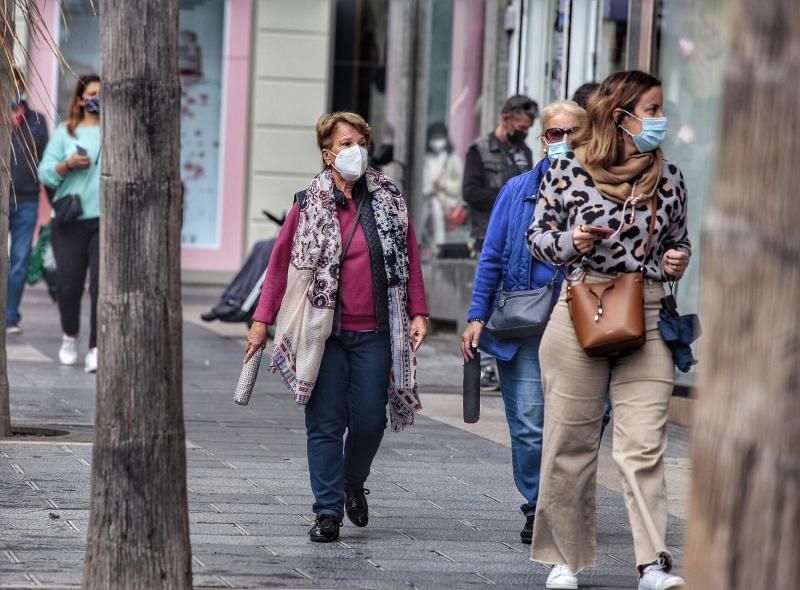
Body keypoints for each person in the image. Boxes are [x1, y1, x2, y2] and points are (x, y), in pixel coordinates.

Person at [528, 70, 690, 590]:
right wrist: (574, 240)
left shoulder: (670, 178)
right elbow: (538, 239)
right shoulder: (568, 171)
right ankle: (564, 560)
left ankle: (653, 565)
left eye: (662, 109)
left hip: (645, 314)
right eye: (653, 109)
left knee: (643, 446)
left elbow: (678, 246)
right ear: (621, 116)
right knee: (569, 442)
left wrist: (675, 260)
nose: (661, 119)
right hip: (581, 309)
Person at [244, 112, 429, 543]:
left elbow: (411, 259)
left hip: (375, 332)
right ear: (328, 154)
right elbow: (279, 265)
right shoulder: (308, 202)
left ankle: (352, 481)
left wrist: (418, 310)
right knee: (325, 424)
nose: (356, 150)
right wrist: (260, 322)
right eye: (346, 143)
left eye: (361, 140)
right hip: (321, 333)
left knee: (368, 422)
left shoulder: (390, 199)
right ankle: (327, 511)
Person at [461, 100, 585, 545]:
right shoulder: (515, 190)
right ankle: (538, 507)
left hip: (583, 326)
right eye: (556, 134)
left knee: (578, 424)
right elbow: (491, 256)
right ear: (542, 139)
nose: (565, 143)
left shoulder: (601, 193)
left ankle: (567, 502)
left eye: (575, 134)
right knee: (530, 423)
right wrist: (477, 315)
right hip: (524, 325)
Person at [38, 74, 102, 373]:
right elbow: (45, 173)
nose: (96, 99)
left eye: (101, 94)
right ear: (79, 99)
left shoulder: (114, 131)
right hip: (69, 221)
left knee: (102, 288)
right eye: (91, 94)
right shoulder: (66, 132)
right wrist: (67, 165)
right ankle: (70, 335)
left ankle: (95, 347)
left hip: (103, 222)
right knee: (69, 286)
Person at [462, 95, 537, 252]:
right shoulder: (480, 149)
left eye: (528, 129)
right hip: (487, 236)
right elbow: (470, 192)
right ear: (506, 119)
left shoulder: (525, 152)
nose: (525, 133)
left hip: (517, 238)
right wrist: (509, 199)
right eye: (521, 127)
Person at [6, 67, 49, 335]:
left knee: (20, 260)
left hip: (28, 199)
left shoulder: (37, 120)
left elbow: (44, 159)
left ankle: (11, 316)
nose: (14, 88)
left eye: (18, 83)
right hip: (2, 196)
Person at [421, 122, 464, 251]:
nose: (437, 141)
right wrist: (428, 190)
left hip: (445, 201)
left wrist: (442, 185)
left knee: (437, 217)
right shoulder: (424, 157)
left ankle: (439, 248)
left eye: (440, 137)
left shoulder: (452, 158)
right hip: (426, 198)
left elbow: (458, 184)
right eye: (434, 137)